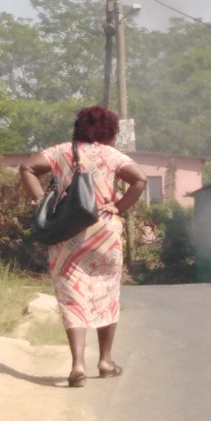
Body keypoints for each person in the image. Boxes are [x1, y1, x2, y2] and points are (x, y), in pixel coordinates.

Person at [19, 106, 146, 388]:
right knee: (106, 294)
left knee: (72, 297)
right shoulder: (112, 155)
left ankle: (77, 364)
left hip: (67, 233)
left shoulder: (62, 151)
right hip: (105, 232)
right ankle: (105, 361)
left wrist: (42, 201)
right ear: (110, 132)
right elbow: (140, 179)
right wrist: (120, 207)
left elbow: (27, 167)